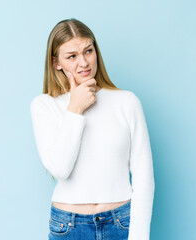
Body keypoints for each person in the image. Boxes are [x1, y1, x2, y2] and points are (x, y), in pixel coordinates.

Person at [30, 18, 155, 240]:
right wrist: (75, 109)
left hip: (121, 223)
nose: (84, 63)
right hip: (68, 226)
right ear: (56, 63)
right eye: (72, 56)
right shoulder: (45, 106)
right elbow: (60, 168)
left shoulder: (126, 102)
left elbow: (144, 177)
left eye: (88, 51)